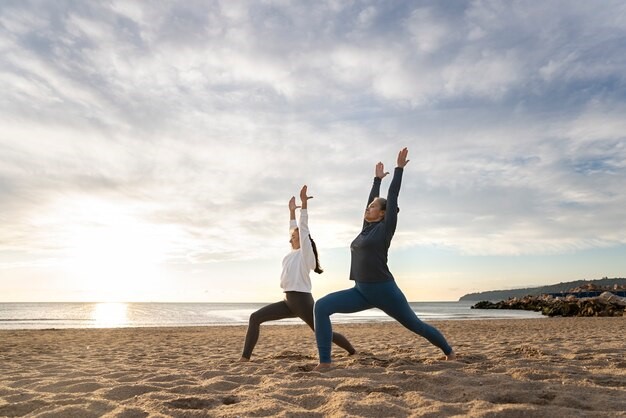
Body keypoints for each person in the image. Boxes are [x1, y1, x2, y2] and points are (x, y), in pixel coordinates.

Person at [313, 147, 455, 370]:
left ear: (382, 214)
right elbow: (373, 200)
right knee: (321, 307)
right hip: (360, 291)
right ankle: (325, 362)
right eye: (368, 207)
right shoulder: (365, 230)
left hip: (385, 291)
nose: (367, 209)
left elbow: (393, 196)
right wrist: (376, 180)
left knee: (416, 326)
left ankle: (449, 351)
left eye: (372, 207)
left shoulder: (385, 228)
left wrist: (398, 169)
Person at [239, 185, 355, 362]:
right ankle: (244, 358)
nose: (292, 237)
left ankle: (353, 351)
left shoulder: (305, 254)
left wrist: (304, 206)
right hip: (288, 301)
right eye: (292, 236)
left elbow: (303, 228)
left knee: (323, 332)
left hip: (302, 300)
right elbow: (293, 228)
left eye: (296, 236)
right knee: (255, 317)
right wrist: (291, 212)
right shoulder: (292, 253)